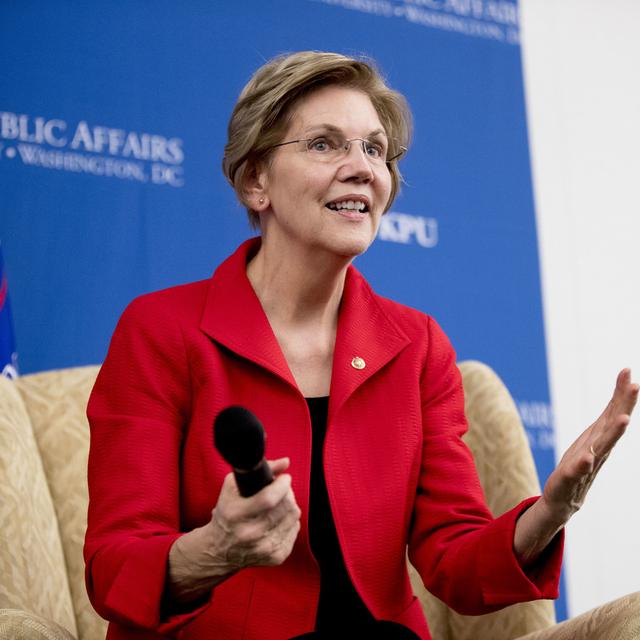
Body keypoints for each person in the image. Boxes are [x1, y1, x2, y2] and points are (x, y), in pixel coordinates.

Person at [84, 51, 638, 640]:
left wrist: (550, 511)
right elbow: (115, 567)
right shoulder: (160, 330)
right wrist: (217, 550)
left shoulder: (418, 346)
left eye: (375, 149)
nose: (362, 168)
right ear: (255, 181)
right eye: (325, 144)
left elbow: (455, 560)